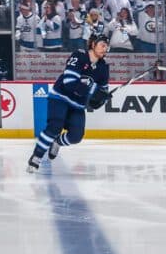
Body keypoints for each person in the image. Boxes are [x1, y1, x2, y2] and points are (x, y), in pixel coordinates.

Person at [27, 34, 110, 174]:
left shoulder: (103, 67)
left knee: (76, 136)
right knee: (54, 127)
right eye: (102, 45)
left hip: (77, 105)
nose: (105, 49)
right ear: (93, 44)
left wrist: (101, 99)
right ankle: (36, 156)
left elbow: (103, 90)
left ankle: (57, 143)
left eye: (107, 47)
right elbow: (69, 82)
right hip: (60, 97)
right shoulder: (79, 55)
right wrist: (94, 90)